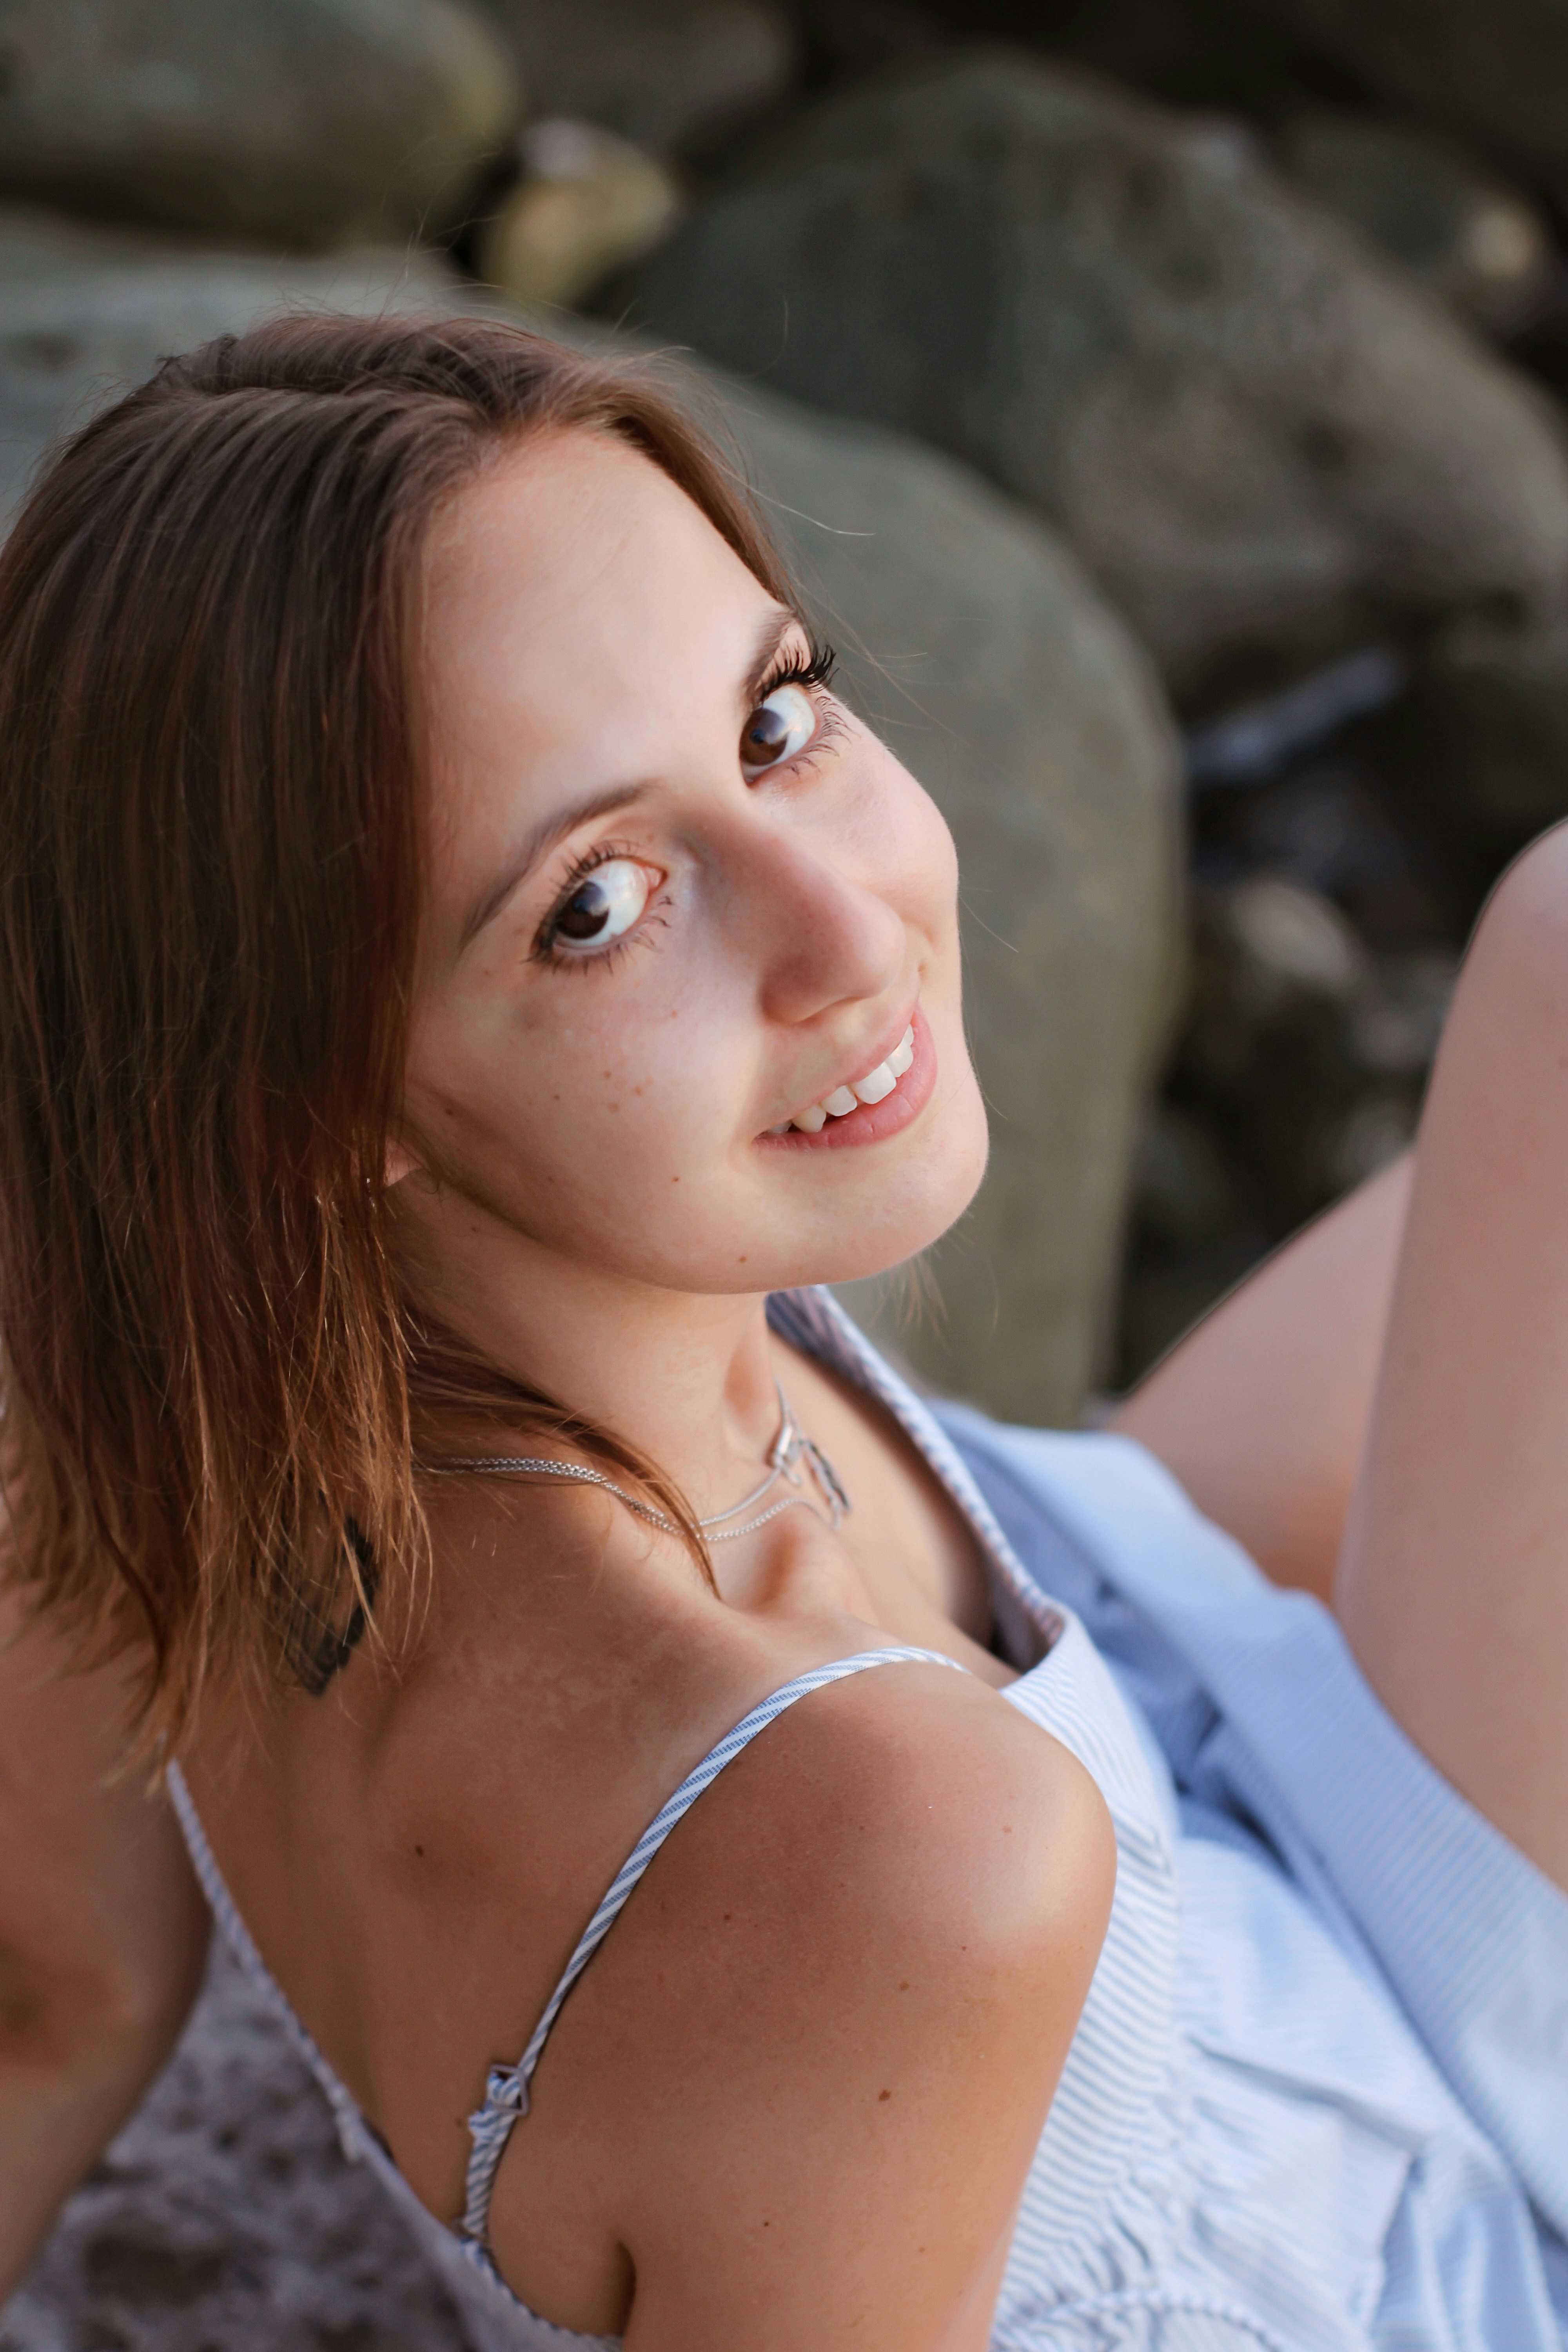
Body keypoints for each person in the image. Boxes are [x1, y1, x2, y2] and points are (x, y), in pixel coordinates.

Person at [0, 312, 1563, 2352]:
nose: (848, 933)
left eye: (775, 723)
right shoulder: (897, 1856)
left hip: (1199, 1806)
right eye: (594, 905)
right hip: (1398, 2237)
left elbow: (64, 1996)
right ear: (311, 1103)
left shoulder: (120, 1346)